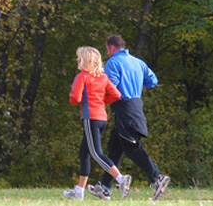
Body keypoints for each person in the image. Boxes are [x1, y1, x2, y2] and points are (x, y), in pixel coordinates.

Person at [87, 35, 170, 201]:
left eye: (107, 49)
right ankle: (105, 188)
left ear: (111, 48)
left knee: (132, 146)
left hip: (124, 108)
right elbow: (153, 80)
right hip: (135, 105)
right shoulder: (138, 62)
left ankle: (157, 177)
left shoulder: (113, 63)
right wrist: (137, 87)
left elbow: (111, 86)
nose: (107, 53)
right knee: (115, 147)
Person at [63, 46, 132, 201]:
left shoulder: (82, 77)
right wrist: (102, 101)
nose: (77, 60)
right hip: (102, 118)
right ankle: (79, 191)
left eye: (79, 58)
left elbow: (74, 98)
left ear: (85, 60)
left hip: (90, 118)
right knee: (84, 152)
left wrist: (77, 99)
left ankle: (120, 178)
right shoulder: (103, 77)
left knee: (95, 153)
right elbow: (116, 94)